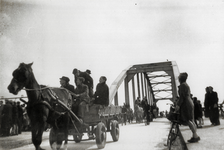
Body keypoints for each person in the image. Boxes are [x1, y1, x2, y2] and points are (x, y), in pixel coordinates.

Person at [175, 72, 200, 143]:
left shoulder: (182, 85)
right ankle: (194, 135)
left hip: (186, 103)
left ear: (180, 79)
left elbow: (181, 97)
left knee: (188, 119)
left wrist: (178, 105)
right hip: (189, 102)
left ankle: (195, 136)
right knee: (191, 119)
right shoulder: (186, 85)